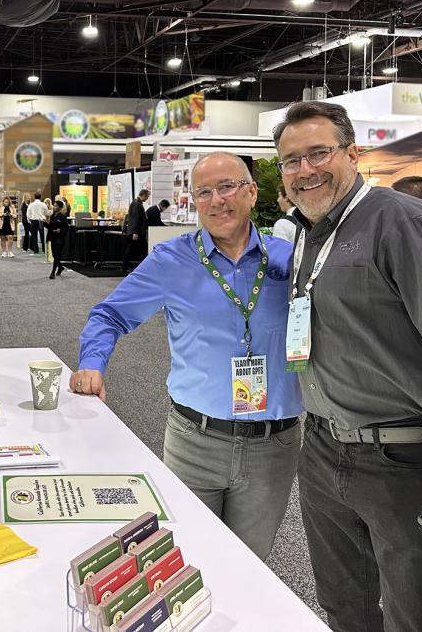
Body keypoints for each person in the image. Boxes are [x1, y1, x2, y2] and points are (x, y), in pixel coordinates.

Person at [274, 100, 422, 632]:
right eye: (291, 160)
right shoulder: (306, 230)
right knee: (345, 604)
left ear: (352, 153)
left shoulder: (405, 225)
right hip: (322, 450)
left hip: (406, 463)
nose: (305, 170)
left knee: (416, 614)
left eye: (318, 153)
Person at [71, 152, 302, 560]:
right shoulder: (171, 261)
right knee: (185, 558)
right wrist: (93, 362)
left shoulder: (289, 259)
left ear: (251, 192)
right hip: (195, 440)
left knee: (248, 564)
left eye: (228, 187)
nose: (217, 200)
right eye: (205, 192)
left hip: (274, 446)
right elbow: (110, 314)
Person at [120, 189, 150, 273]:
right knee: (136, 250)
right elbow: (135, 219)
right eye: (147, 196)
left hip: (136, 231)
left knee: (138, 250)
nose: (147, 198)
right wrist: (135, 233)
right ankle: (125, 268)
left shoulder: (136, 203)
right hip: (136, 232)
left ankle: (126, 267)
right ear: (143, 195)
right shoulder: (137, 204)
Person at [47, 200, 69, 279]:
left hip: (60, 239)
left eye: (55, 206)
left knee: (56, 255)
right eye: (54, 205)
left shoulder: (62, 217)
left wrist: (60, 230)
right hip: (53, 238)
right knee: (54, 255)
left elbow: (67, 228)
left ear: (59, 208)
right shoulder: (52, 216)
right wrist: (44, 223)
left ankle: (53, 272)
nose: (54, 207)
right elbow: (50, 227)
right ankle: (60, 267)